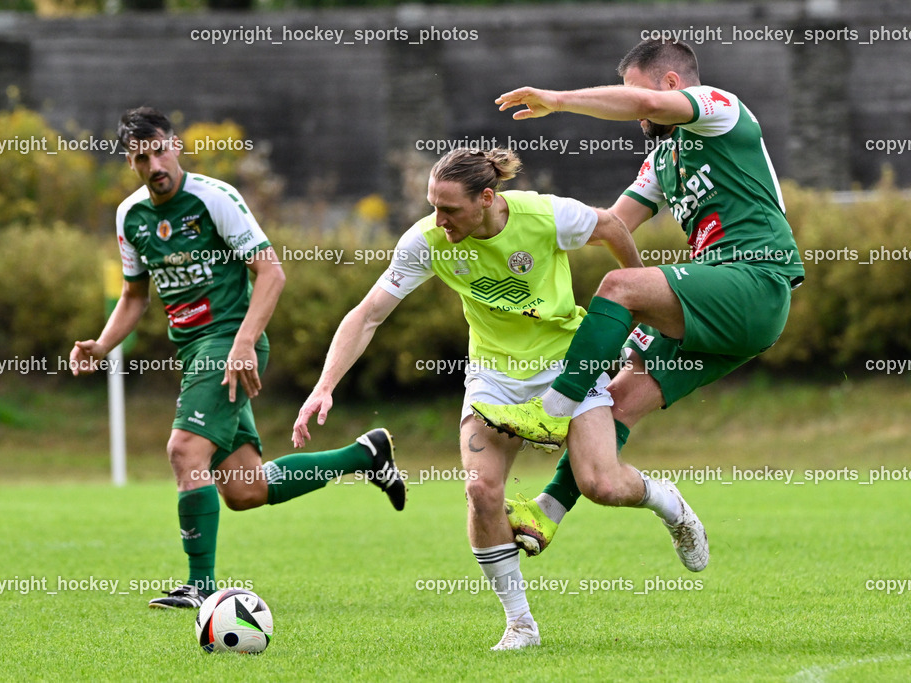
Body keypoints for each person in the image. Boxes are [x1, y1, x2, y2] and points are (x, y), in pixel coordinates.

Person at [292, 146, 704, 651]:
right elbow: (368, 314)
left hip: (567, 366)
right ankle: (520, 625)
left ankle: (670, 505)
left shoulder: (544, 215)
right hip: (494, 377)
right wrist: (325, 385)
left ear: (486, 198)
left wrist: (642, 296)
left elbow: (613, 226)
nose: (439, 220)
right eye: (433, 207)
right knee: (481, 491)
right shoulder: (426, 241)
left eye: (450, 209)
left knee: (601, 484)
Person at [477, 38, 805, 558]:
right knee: (610, 426)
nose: (635, 111)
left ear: (672, 82)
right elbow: (609, 225)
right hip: (715, 306)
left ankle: (553, 410)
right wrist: (510, 223)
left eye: (633, 91)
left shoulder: (721, 109)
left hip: (756, 281)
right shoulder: (661, 161)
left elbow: (646, 104)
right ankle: (551, 509)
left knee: (618, 288)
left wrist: (558, 101)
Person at [70, 106, 405, 609]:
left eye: (160, 151)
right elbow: (134, 296)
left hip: (230, 340)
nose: (154, 165)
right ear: (129, 162)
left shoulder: (215, 198)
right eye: (141, 157)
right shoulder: (130, 216)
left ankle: (200, 588)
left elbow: (271, 272)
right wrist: (102, 344)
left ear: (175, 146)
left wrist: (244, 343)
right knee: (246, 490)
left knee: (184, 450)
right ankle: (366, 455)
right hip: (194, 351)